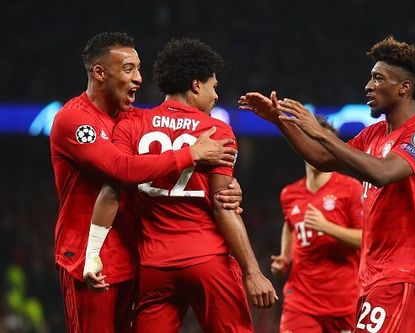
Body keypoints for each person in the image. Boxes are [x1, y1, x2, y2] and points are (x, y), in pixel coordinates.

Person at [239, 36, 415, 333]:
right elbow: (322, 158)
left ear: (404, 87)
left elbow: (383, 173)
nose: (368, 86)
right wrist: (280, 122)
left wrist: (321, 133)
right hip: (372, 274)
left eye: (377, 78)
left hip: (402, 272)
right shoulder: (373, 134)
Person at [50, 32, 242, 333]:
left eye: (139, 68)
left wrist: (225, 185)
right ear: (99, 73)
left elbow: (164, 157)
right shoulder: (75, 121)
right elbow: (121, 168)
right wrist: (190, 154)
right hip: (91, 257)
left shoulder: (132, 120)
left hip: (134, 254)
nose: (139, 78)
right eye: (128, 69)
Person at [84, 38, 277, 332]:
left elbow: (112, 191)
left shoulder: (132, 124)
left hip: (155, 265)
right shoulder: (217, 130)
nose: (215, 96)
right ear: (196, 85)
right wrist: (253, 272)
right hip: (208, 261)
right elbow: (224, 205)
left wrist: (93, 254)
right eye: (214, 86)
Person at [271, 116, 363, 333]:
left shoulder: (350, 189)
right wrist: (285, 258)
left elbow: (365, 238)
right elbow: (289, 226)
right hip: (301, 304)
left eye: (324, 145)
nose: (318, 151)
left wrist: (326, 227)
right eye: (312, 143)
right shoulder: (289, 194)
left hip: (343, 304)